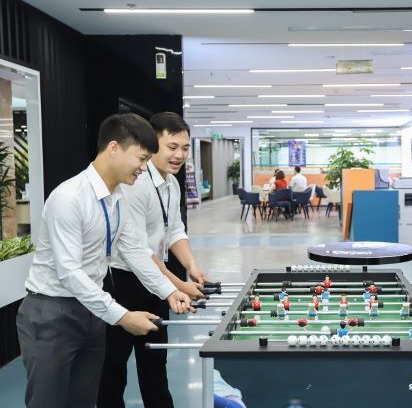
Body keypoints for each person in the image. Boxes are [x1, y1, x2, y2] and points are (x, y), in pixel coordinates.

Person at [16, 113, 192, 408]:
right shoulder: (69, 198)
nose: (144, 167)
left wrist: (169, 291)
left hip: (92, 310)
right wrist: (122, 316)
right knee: (49, 402)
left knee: (86, 400)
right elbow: (69, 272)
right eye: (141, 158)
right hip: (53, 313)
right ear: (114, 148)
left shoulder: (118, 197)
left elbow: (134, 250)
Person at [98, 112, 244, 408]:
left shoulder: (172, 184)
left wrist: (191, 267)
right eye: (172, 147)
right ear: (152, 145)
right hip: (123, 282)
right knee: (113, 367)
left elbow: (174, 229)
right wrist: (177, 285)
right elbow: (137, 249)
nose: (179, 155)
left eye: (185, 148)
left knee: (155, 361)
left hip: (155, 281)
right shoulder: (135, 184)